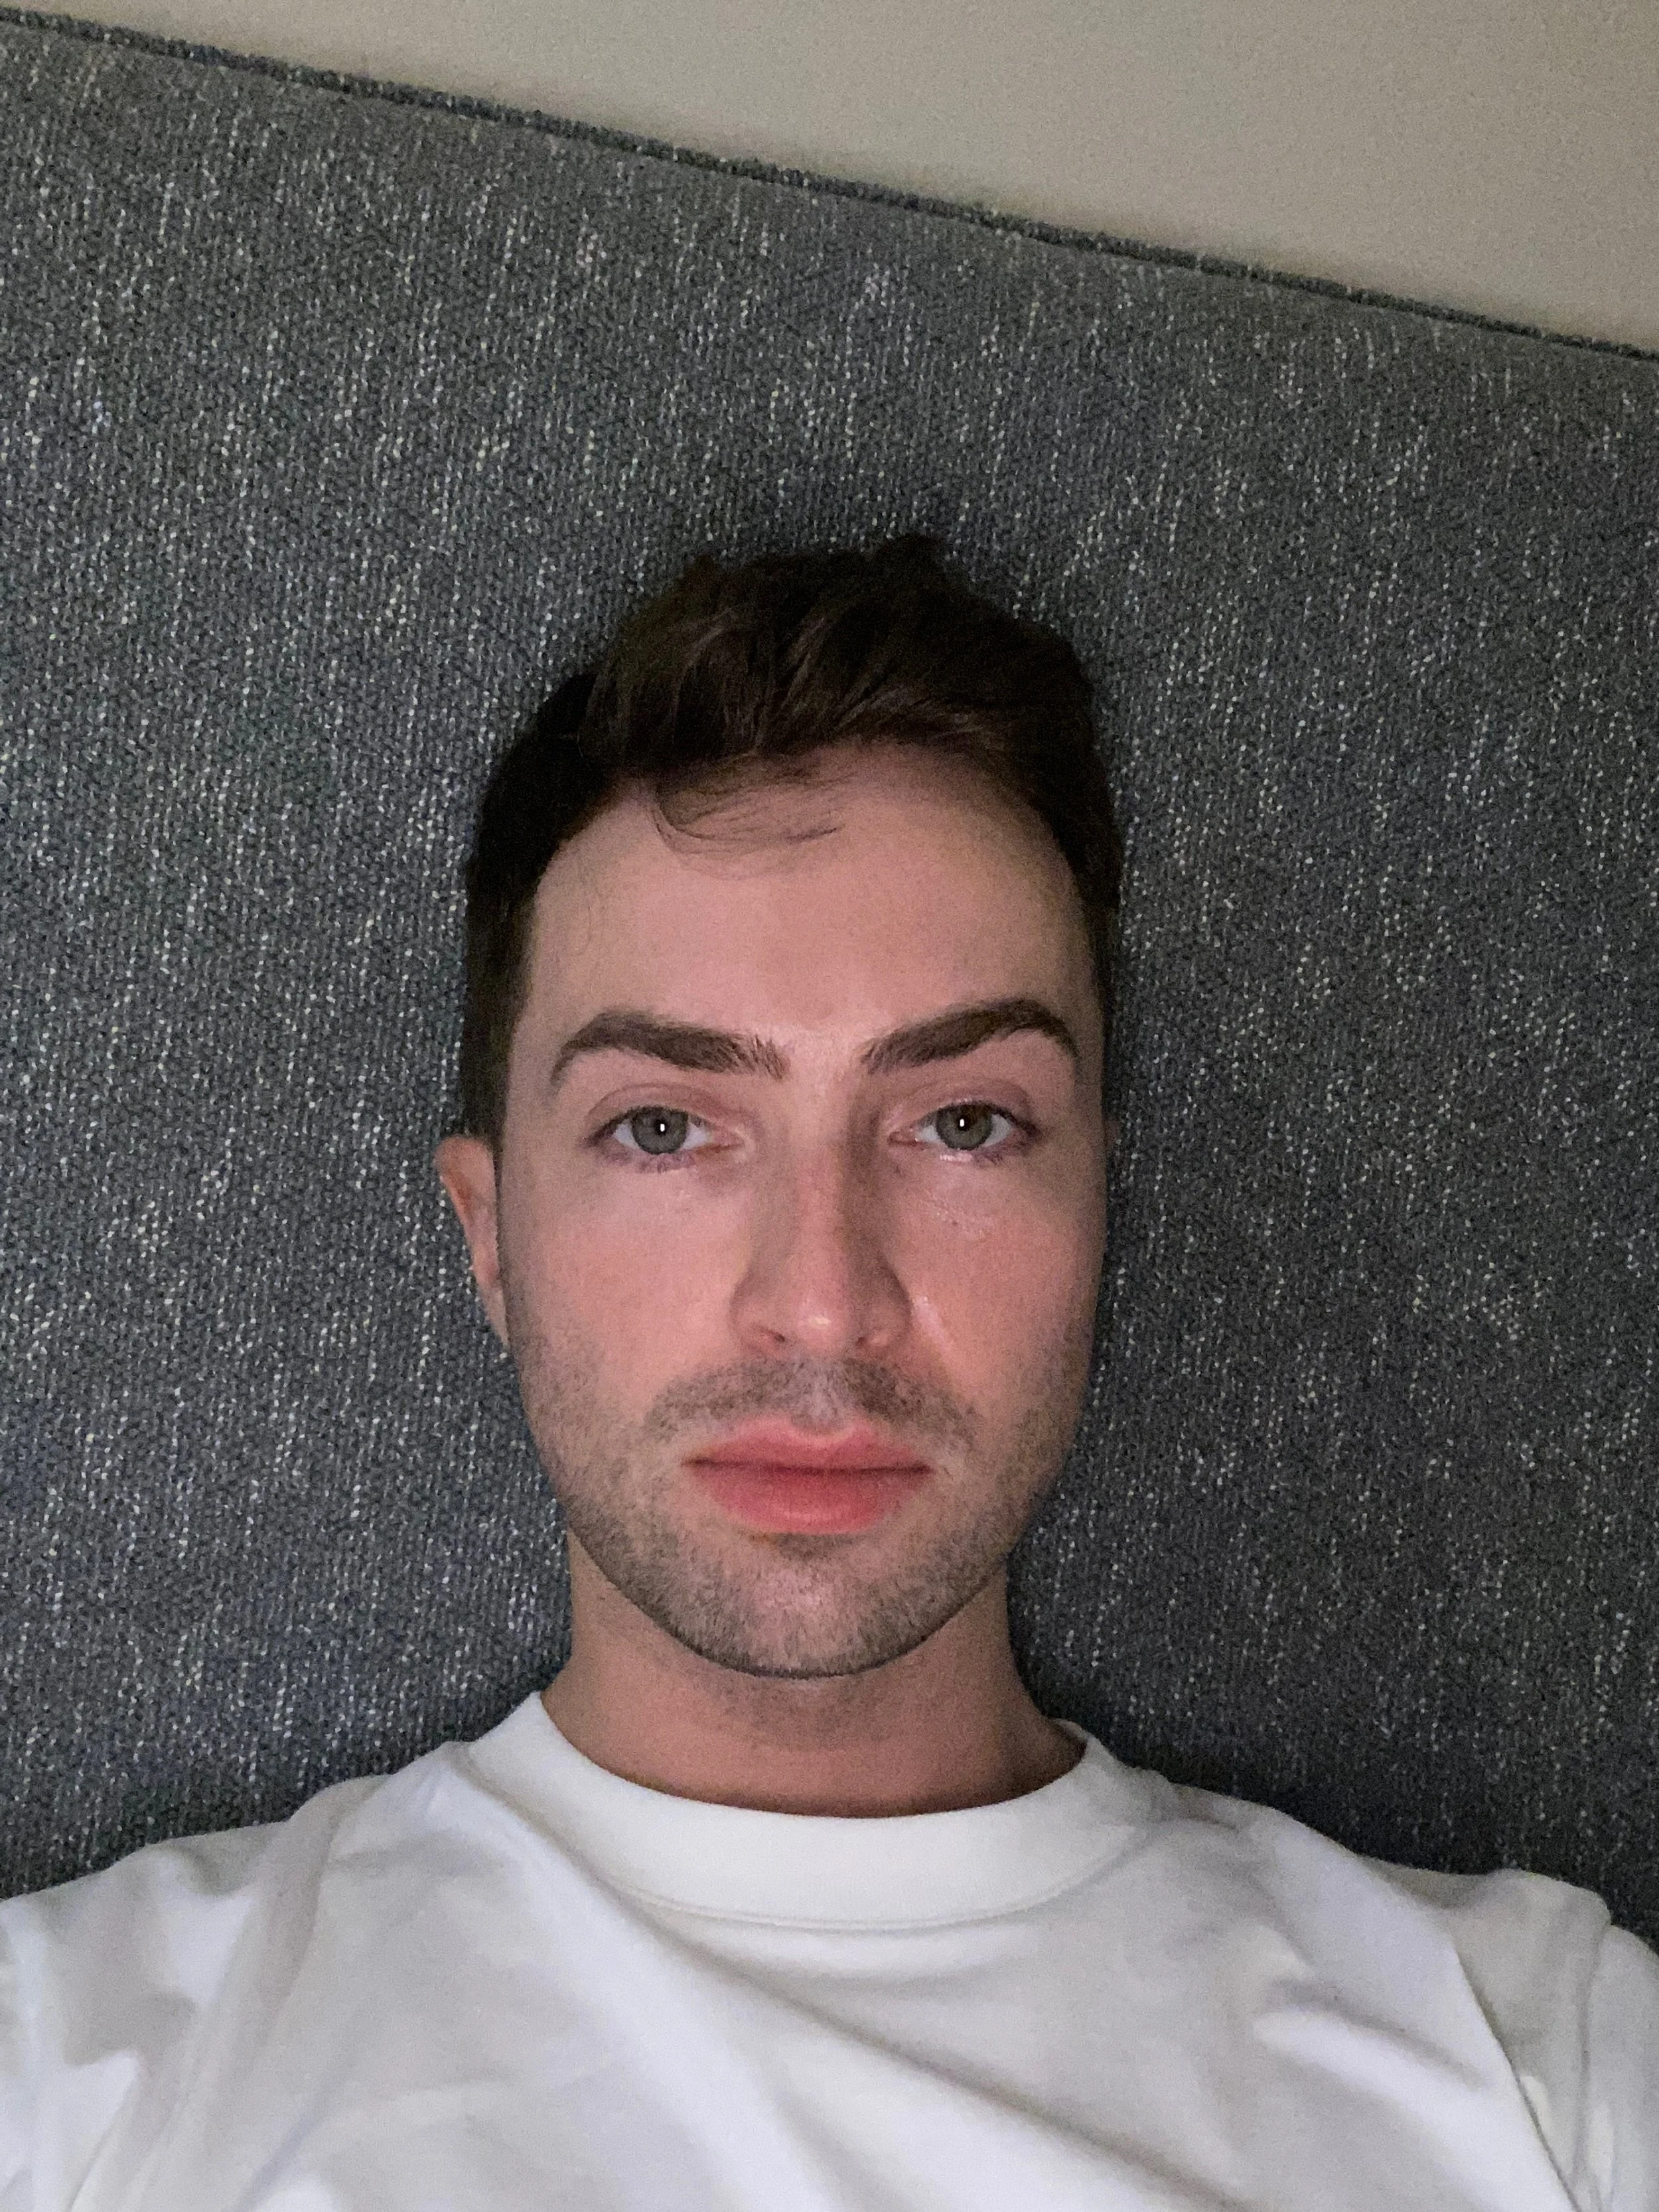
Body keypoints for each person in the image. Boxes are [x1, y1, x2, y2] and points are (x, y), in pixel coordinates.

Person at [1, 536, 1654, 2210]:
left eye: (960, 1122)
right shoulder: (72, 2065)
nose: (818, 1304)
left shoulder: (1544, 2060)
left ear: (1099, 1212)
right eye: (663, 1127)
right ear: (487, 1237)